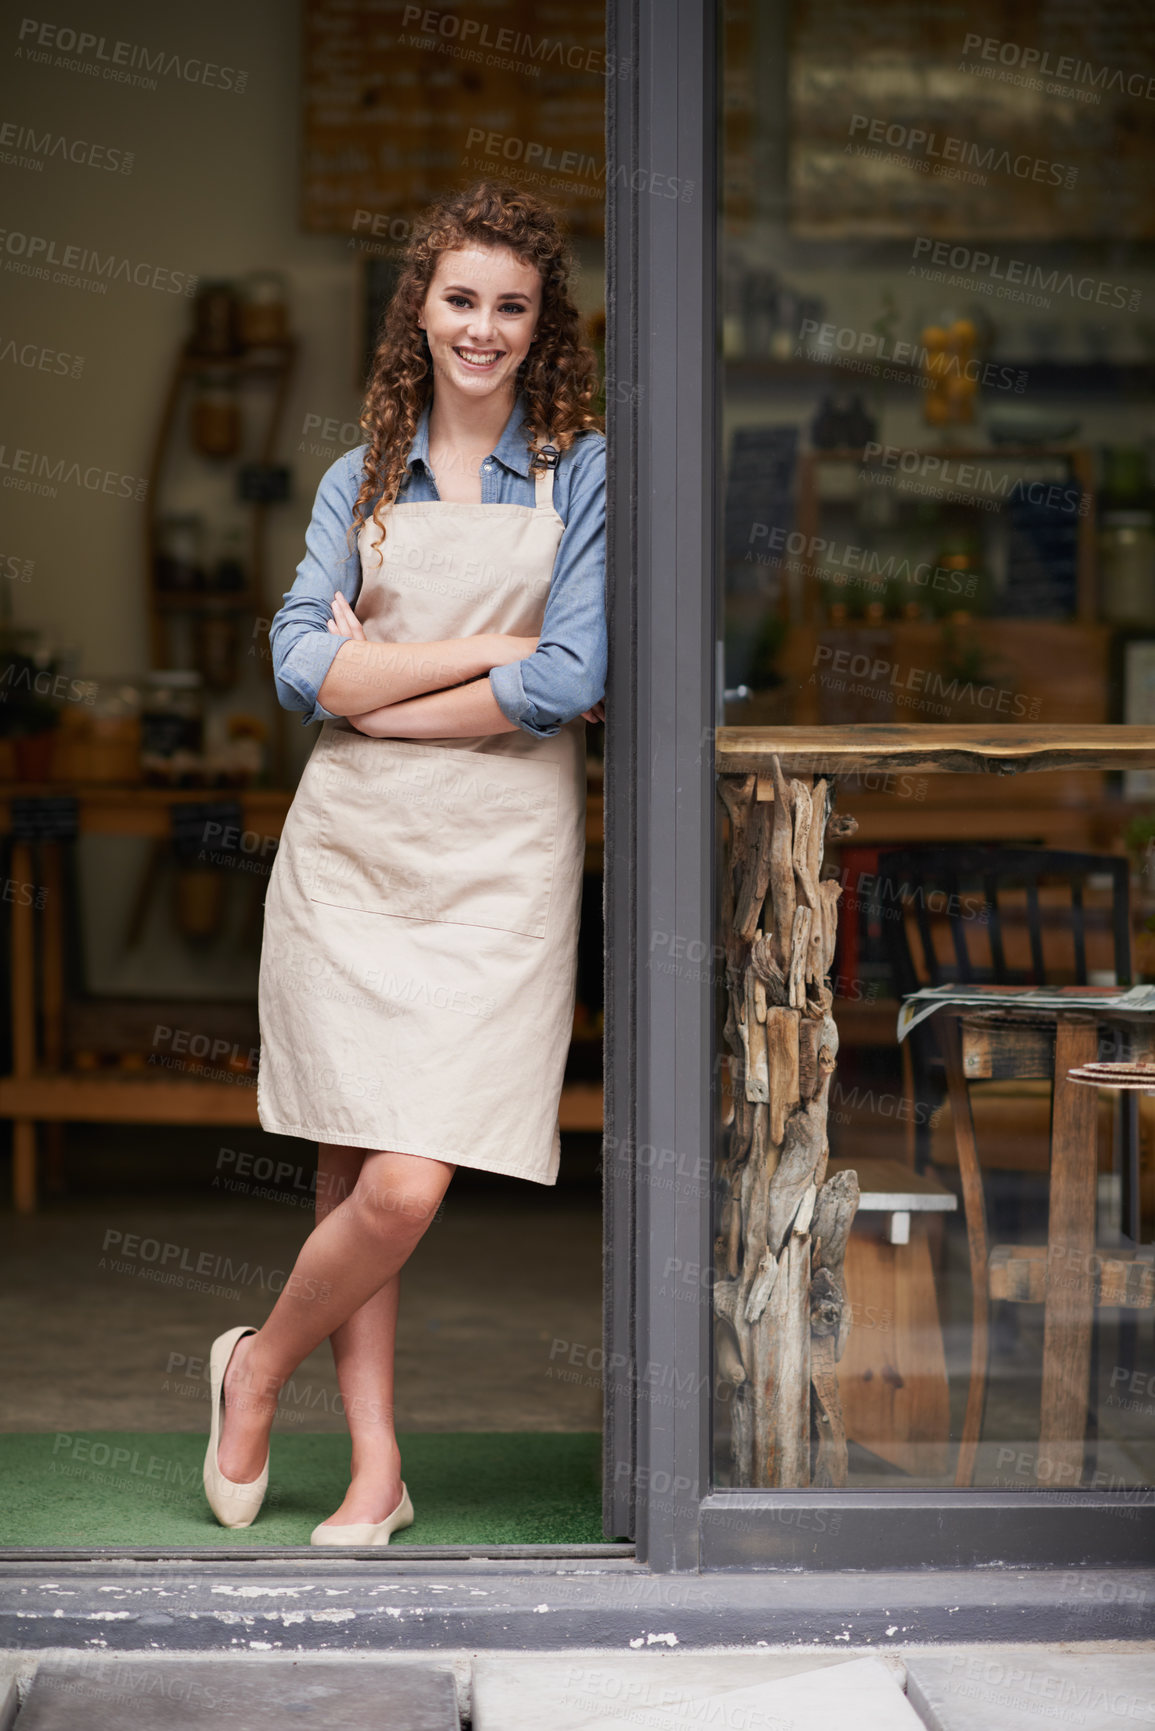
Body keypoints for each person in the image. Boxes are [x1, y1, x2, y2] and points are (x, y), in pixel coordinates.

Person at [201, 180, 607, 1546]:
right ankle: (376, 1467)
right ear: (418, 310)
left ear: (542, 323)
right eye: (459, 300)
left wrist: (378, 692)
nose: (482, 329)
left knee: (407, 1182)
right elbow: (300, 666)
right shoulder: (355, 480)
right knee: (348, 1169)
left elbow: (573, 678)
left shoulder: (582, 471)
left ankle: (252, 1366)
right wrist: (479, 653)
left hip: (500, 865)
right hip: (355, 857)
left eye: (511, 306)